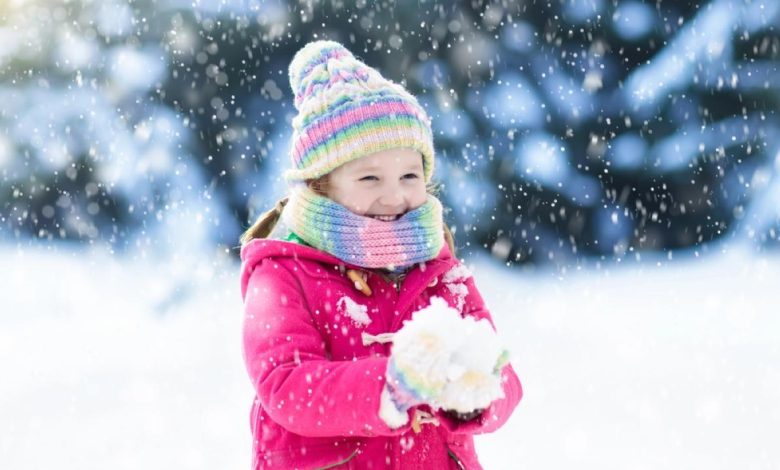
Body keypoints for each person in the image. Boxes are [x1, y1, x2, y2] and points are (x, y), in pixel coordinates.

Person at [239, 40, 522, 470]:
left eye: (409, 175)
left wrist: (474, 391)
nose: (395, 196)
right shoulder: (282, 274)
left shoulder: (438, 270)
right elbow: (285, 385)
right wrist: (387, 388)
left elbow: (502, 375)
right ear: (320, 185)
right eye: (370, 177)